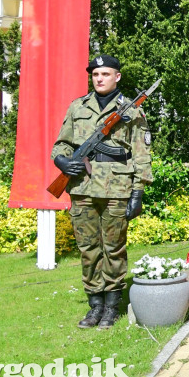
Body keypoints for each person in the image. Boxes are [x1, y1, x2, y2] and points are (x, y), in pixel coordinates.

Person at [51, 55, 152, 329]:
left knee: (113, 249)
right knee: (88, 249)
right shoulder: (77, 107)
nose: (99, 79)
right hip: (82, 187)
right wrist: (62, 161)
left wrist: (137, 193)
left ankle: (111, 306)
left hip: (117, 189)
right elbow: (62, 144)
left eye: (105, 74)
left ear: (117, 76)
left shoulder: (132, 111)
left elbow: (141, 155)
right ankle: (94, 305)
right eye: (95, 74)